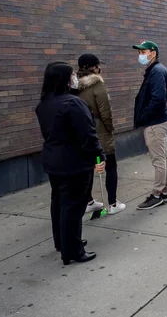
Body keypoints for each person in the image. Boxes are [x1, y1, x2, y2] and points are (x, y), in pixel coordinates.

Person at [36, 62, 105, 265]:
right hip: (74, 163)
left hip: (53, 161)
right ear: (65, 79)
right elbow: (88, 136)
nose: (75, 77)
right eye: (72, 75)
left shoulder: (44, 104)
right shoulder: (73, 104)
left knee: (58, 203)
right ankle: (73, 250)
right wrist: (99, 156)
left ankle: (63, 241)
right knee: (73, 207)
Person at [77, 53, 126, 215]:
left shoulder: (74, 87)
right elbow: (105, 112)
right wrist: (110, 130)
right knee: (110, 166)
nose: (100, 68)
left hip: (82, 132)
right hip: (100, 132)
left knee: (87, 168)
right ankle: (112, 203)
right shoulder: (97, 86)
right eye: (98, 65)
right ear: (94, 67)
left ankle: (89, 201)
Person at [133, 41, 167, 210]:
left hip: (155, 123)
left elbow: (158, 99)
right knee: (163, 157)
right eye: (139, 52)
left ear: (153, 53)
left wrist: (143, 116)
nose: (140, 55)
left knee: (159, 160)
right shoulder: (156, 70)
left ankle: (157, 194)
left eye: (143, 52)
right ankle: (165, 191)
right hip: (159, 120)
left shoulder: (156, 71)